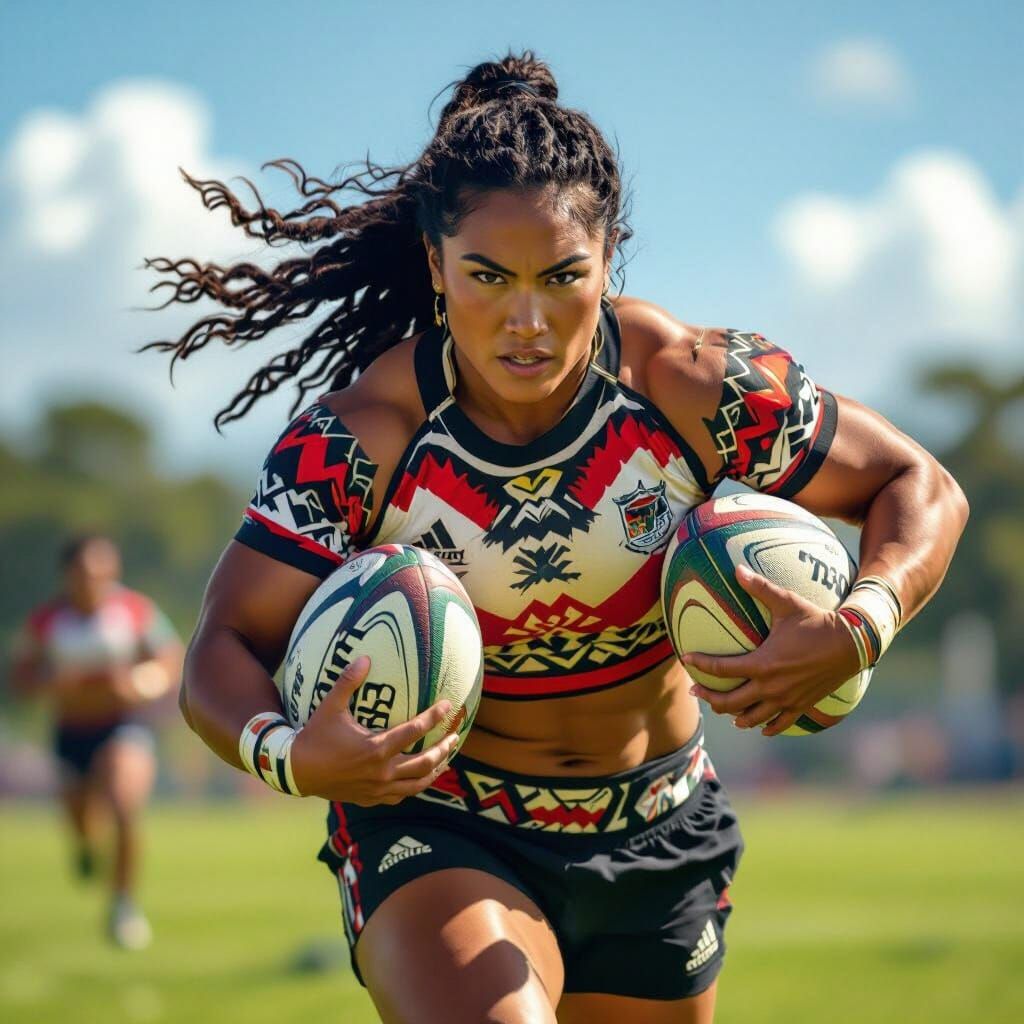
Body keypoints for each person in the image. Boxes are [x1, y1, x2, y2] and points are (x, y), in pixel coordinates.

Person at [157, 52, 968, 1023]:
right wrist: (290, 755)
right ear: (435, 265)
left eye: (562, 276)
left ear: (609, 259)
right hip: (441, 826)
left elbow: (917, 485)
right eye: (488, 277)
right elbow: (223, 641)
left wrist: (857, 627)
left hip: (661, 827)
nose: (527, 319)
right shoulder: (360, 439)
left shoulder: (695, 387)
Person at [10, 533, 184, 949]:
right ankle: (87, 848)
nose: (94, 580)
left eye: (103, 571)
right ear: (68, 575)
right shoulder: (47, 620)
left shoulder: (134, 610)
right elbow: (21, 675)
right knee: (81, 818)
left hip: (124, 726)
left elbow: (170, 658)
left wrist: (139, 684)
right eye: (85, 573)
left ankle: (123, 906)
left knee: (124, 803)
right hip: (71, 734)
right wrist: (52, 686)